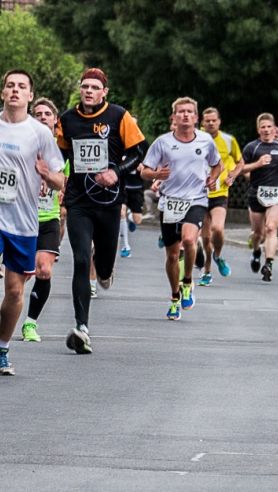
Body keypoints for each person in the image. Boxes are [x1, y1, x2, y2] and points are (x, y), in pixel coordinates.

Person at [0, 70, 64, 375]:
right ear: (4, 91)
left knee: (14, 292)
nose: (15, 90)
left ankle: (3, 348)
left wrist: (47, 174)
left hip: (23, 221)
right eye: (10, 85)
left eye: (22, 87)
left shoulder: (40, 133)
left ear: (30, 95)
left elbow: (60, 180)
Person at [56, 68, 147, 353]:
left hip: (108, 202)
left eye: (95, 87)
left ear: (104, 92)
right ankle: (82, 326)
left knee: (103, 262)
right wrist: (57, 178)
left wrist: (116, 172)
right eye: (85, 86)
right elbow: (58, 154)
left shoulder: (119, 116)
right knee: (82, 260)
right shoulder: (67, 119)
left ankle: (106, 270)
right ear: (80, 90)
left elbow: (138, 153)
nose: (89, 91)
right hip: (78, 201)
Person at [140, 98, 221, 320]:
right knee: (172, 255)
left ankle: (187, 282)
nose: (185, 115)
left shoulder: (205, 141)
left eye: (189, 112)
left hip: (196, 199)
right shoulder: (162, 143)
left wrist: (212, 179)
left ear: (196, 118)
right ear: (174, 117)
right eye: (180, 112)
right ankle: (175, 296)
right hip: (170, 202)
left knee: (188, 240)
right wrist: (156, 175)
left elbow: (218, 164)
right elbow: (144, 171)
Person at [22, 97, 64, 342]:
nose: (42, 117)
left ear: (55, 120)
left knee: (44, 271)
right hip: (22, 218)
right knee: (20, 277)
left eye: (47, 113)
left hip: (49, 217)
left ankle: (30, 323)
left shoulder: (62, 151)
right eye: (37, 113)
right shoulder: (22, 146)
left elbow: (65, 181)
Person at [242, 113, 278, 282]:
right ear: (258, 130)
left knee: (271, 228)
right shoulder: (251, 147)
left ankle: (268, 264)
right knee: (258, 233)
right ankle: (256, 251)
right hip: (256, 193)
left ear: (274, 129)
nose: (266, 130)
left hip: (276, 192)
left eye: (268, 127)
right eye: (262, 127)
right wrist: (257, 165)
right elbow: (241, 169)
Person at [198, 107, 244, 284]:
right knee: (206, 237)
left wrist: (233, 173)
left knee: (218, 229)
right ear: (202, 122)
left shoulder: (228, 140)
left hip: (220, 191)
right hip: (199, 193)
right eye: (207, 120)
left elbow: (240, 162)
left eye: (213, 120)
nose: (210, 123)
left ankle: (218, 255)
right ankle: (207, 270)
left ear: (219, 121)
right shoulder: (196, 138)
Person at [118, 114, 145, 258]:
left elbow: (151, 162)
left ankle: (130, 217)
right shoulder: (118, 141)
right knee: (120, 211)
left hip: (137, 186)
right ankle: (125, 246)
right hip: (122, 184)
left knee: (137, 220)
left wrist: (143, 166)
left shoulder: (142, 143)